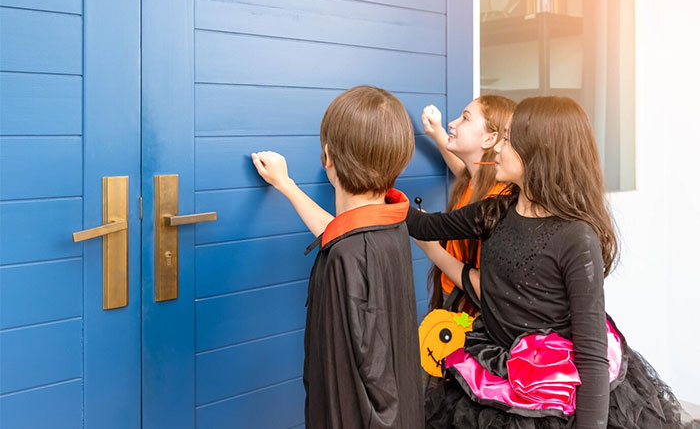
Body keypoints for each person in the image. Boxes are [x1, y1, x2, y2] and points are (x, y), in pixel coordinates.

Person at [407, 96, 692, 428]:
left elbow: (590, 351)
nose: (497, 148)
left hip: (553, 393)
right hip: (497, 372)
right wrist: (379, 192)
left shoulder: (575, 237)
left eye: (509, 140)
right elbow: (427, 227)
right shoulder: (495, 211)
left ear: (537, 153)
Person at [251, 85, 423, 428]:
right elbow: (341, 233)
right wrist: (287, 186)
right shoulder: (390, 226)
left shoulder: (347, 256)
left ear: (327, 156)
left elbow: (356, 381)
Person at [420, 96, 515, 314]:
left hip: (472, 320)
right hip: (453, 304)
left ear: (490, 139)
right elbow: (464, 171)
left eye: (465, 118)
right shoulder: (474, 181)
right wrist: (437, 134)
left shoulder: (496, 204)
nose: (453, 123)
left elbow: (486, 288)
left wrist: (430, 247)